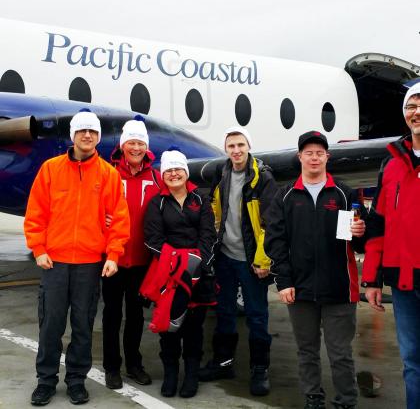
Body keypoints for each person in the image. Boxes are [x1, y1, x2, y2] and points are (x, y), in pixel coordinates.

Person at [24, 109, 130, 406]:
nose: (87, 135)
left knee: (83, 326)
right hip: (54, 262)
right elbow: (36, 214)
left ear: (98, 137)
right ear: (73, 135)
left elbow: (119, 218)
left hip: (88, 263)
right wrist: (39, 249)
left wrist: (113, 254)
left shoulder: (108, 174)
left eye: (93, 132)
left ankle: (76, 380)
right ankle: (45, 381)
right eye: (82, 131)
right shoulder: (50, 169)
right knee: (51, 325)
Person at [264, 130, 367, 409]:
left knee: (340, 353)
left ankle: (346, 401)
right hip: (299, 288)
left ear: (327, 157)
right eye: (308, 152)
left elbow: (357, 244)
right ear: (299, 157)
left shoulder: (344, 195)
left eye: (319, 152)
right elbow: (275, 242)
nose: (314, 157)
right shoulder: (285, 197)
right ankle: (313, 398)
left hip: (339, 289)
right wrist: (283, 281)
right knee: (307, 351)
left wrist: (359, 232)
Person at [199, 126, 277, 396]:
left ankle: (260, 369)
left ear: (249, 147)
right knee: (225, 313)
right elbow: (216, 213)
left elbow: (269, 223)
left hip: (251, 260)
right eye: (231, 146)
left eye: (240, 145)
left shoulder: (263, 177)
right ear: (226, 149)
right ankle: (223, 362)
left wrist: (262, 260)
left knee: (257, 316)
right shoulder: (222, 173)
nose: (236, 151)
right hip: (226, 257)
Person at [362, 83, 420, 409]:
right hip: (403, 281)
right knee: (412, 360)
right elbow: (377, 226)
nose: (417, 111)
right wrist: (371, 279)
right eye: (411, 105)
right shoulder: (391, 165)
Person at [143, 148, 217, 398]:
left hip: (199, 272)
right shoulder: (157, 203)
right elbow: (153, 239)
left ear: (186, 172)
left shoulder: (201, 200)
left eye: (178, 169)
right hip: (169, 274)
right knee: (169, 327)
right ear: (163, 174)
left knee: (194, 329)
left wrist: (198, 263)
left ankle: (192, 375)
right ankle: (171, 374)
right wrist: (177, 265)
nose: (174, 174)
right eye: (169, 170)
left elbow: (209, 235)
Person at [102, 117, 162, 389]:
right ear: (122, 145)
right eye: (131, 143)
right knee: (112, 314)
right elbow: (92, 204)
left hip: (142, 260)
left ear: (146, 147)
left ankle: (134, 364)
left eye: (140, 143)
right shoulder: (108, 173)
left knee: (136, 316)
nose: (136, 148)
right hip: (113, 259)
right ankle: (111, 366)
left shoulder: (156, 177)